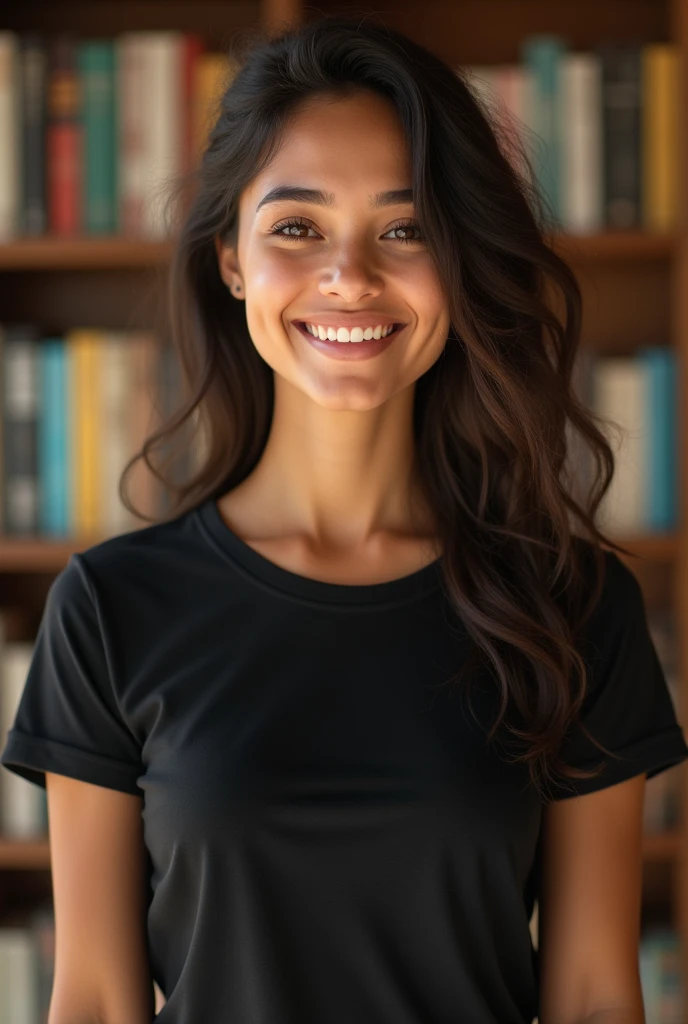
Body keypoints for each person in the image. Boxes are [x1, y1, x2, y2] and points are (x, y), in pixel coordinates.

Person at [2, 14, 687, 1024]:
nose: (350, 276)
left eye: (404, 229)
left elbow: (591, 998)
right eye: (295, 227)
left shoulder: (576, 606)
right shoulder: (110, 608)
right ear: (231, 259)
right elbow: (99, 1002)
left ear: (458, 260)